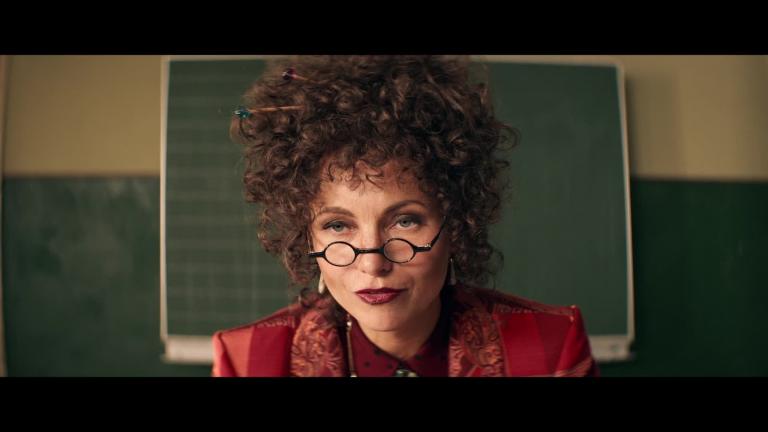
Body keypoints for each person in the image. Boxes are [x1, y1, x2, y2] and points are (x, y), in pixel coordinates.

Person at [212, 55, 598, 377]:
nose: (374, 264)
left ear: (456, 223)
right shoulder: (247, 361)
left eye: (405, 221)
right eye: (338, 225)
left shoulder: (552, 349)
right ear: (307, 235)